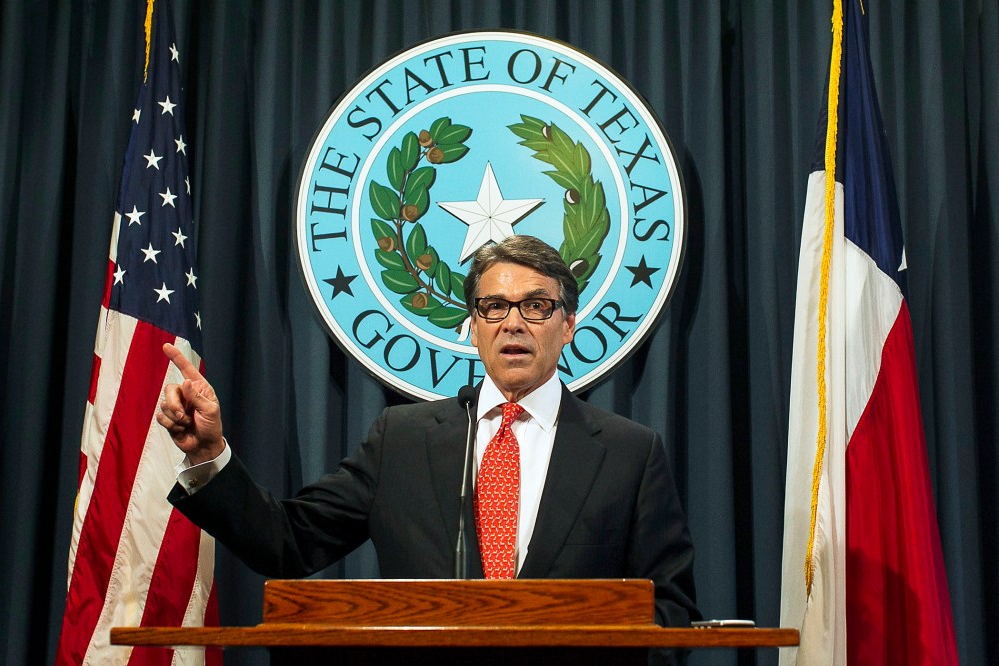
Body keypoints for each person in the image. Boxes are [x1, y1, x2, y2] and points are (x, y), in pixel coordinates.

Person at [157, 234, 699, 632]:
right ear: (474, 325)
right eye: (494, 306)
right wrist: (210, 456)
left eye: (535, 306)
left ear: (568, 323)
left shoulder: (629, 452)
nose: (513, 322)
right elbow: (288, 544)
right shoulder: (404, 440)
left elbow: (672, 613)